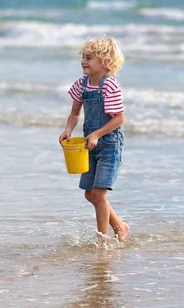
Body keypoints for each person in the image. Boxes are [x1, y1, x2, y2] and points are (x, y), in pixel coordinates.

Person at [59, 35, 129, 244]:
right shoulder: (82, 84)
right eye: (83, 56)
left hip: (109, 145)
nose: (83, 61)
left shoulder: (110, 86)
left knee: (98, 194)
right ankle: (120, 227)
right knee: (90, 195)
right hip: (89, 144)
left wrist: (98, 134)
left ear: (105, 62)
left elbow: (119, 118)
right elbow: (74, 114)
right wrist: (68, 130)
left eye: (89, 57)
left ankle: (102, 240)